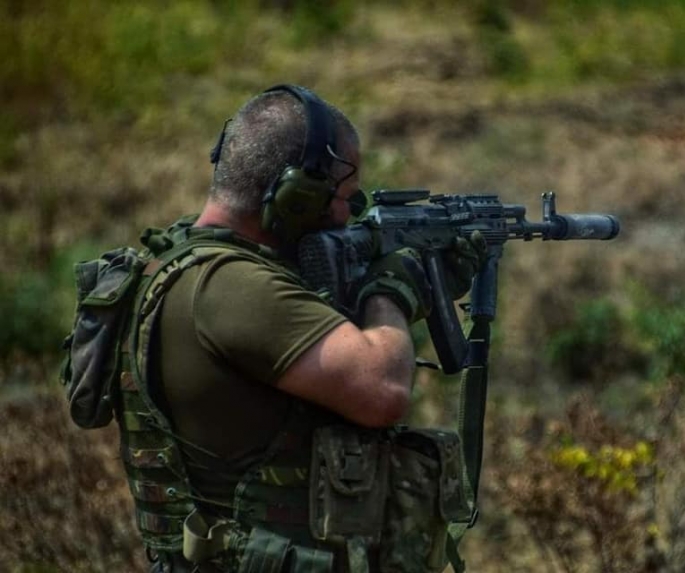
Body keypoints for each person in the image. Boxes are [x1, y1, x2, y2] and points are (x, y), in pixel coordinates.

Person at [110, 85, 484, 573]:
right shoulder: (233, 287)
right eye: (346, 198)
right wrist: (393, 290)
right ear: (297, 195)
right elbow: (381, 389)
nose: (350, 216)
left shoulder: (183, 265)